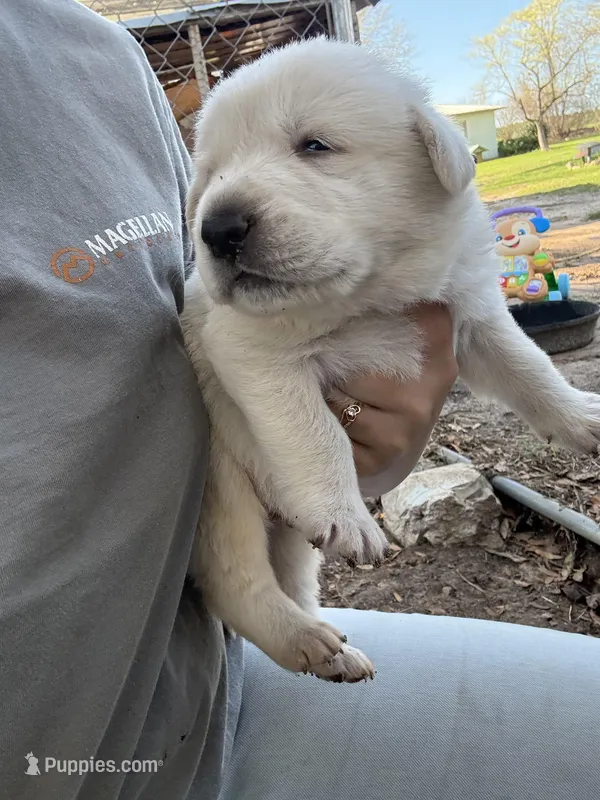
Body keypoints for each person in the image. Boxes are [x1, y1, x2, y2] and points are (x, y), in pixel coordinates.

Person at [1, 2, 598, 798]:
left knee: (302, 567)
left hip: (200, 691)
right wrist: (328, 482)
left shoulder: (99, 57)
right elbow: (258, 362)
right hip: (83, 757)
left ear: (436, 153)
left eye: (315, 146)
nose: (219, 211)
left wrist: (557, 412)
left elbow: (482, 331)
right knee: (245, 528)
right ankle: (264, 608)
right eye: (208, 176)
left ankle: (288, 616)